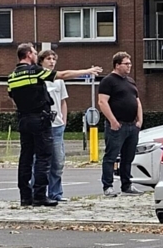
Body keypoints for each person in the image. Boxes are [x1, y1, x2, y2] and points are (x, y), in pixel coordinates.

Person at [8, 43, 101, 207]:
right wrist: (87, 71)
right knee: (43, 158)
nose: (36, 56)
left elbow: (12, 97)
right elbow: (62, 75)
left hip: (23, 119)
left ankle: (25, 197)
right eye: (35, 53)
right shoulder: (35, 71)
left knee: (26, 159)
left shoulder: (12, 76)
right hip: (40, 119)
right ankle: (40, 196)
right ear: (29, 54)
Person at [97, 51, 143, 197]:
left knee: (128, 157)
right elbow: (102, 102)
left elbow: (137, 101)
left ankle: (127, 184)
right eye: (126, 64)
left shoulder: (130, 81)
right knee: (111, 156)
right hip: (117, 125)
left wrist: (140, 120)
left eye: (130, 63)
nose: (129, 66)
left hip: (132, 125)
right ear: (117, 65)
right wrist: (113, 121)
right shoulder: (108, 81)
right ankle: (108, 186)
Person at [30, 50, 69, 202]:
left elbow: (63, 101)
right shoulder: (38, 78)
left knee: (58, 161)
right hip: (42, 124)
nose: (52, 62)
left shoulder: (59, 80)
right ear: (41, 61)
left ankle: (56, 193)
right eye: (48, 59)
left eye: (54, 59)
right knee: (40, 160)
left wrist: (64, 119)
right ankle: (38, 192)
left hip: (57, 125)